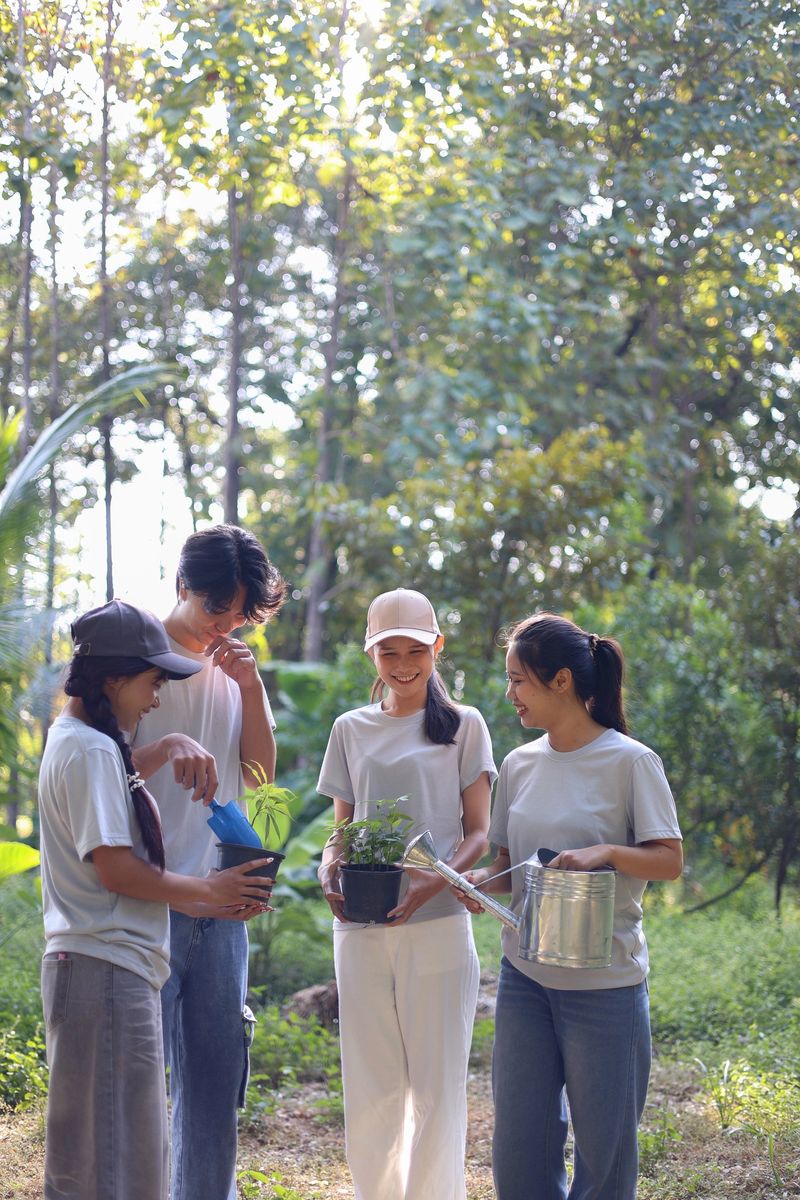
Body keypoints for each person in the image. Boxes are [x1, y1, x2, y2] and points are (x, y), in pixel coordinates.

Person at [38, 599, 274, 1200]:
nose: (156, 698)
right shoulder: (91, 748)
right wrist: (207, 892)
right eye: (150, 683)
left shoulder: (84, 742)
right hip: (107, 963)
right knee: (124, 1158)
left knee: (100, 1154)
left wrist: (171, 745)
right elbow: (116, 868)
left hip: (102, 961)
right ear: (115, 680)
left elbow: (257, 774)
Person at [457, 612, 683, 1200]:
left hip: (604, 986)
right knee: (519, 1150)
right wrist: (479, 882)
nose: (509, 695)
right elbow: (511, 866)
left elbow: (668, 859)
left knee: (604, 1154)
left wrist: (604, 851)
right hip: (525, 978)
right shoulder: (519, 764)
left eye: (519, 681)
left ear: (561, 681)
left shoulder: (631, 761)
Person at [316, 587, 497, 1200]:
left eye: (414, 650)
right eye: (387, 652)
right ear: (372, 655)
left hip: (439, 921)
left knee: (438, 1086)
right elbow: (343, 827)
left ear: (437, 647)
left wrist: (433, 881)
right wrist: (326, 865)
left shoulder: (464, 725)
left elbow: (480, 833)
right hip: (361, 924)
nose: (402, 664)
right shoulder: (351, 728)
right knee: (370, 1084)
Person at [131, 524, 286, 1200]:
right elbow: (91, 767)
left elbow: (259, 775)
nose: (226, 624)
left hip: (224, 900)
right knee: (141, 1082)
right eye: (215, 609)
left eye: (240, 614)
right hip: (152, 898)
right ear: (182, 586)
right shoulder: (135, 649)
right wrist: (165, 744)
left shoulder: (232, 669)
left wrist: (249, 690)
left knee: (216, 1085)